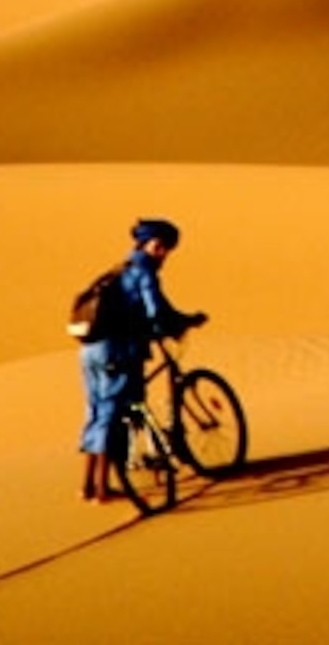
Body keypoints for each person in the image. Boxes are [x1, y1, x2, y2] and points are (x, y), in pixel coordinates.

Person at [79, 216, 211, 503]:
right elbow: (156, 312)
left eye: (167, 248)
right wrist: (184, 321)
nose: (163, 254)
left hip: (89, 350)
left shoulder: (117, 269)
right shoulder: (143, 271)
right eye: (159, 246)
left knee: (96, 411)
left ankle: (87, 485)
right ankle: (102, 489)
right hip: (118, 351)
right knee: (112, 413)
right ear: (144, 244)